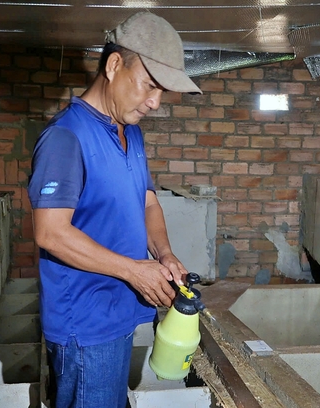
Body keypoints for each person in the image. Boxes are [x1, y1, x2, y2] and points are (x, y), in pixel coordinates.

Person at [27, 12, 202, 408]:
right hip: (86, 324)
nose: (155, 103)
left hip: (118, 311)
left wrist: (164, 254)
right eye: (149, 86)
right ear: (114, 65)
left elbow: (147, 201)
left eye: (163, 92)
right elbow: (50, 233)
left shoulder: (131, 133)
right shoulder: (66, 137)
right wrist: (133, 269)